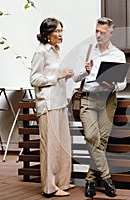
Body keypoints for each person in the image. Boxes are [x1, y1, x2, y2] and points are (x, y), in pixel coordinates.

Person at [73, 17, 127, 198]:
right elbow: (75, 78)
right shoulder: (86, 51)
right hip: (88, 99)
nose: (98, 35)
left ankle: (90, 179)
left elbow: (123, 83)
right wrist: (85, 71)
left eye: (102, 32)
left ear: (111, 33)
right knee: (91, 136)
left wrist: (112, 85)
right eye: (96, 31)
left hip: (107, 100)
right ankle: (106, 177)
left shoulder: (118, 55)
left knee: (101, 141)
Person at [30, 17, 75, 197]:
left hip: (60, 103)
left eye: (61, 31)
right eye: (57, 31)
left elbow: (57, 74)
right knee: (50, 147)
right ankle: (49, 187)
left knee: (63, 145)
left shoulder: (56, 51)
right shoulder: (40, 52)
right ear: (47, 34)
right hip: (48, 105)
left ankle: (62, 182)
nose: (60, 34)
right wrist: (57, 76)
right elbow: (34, 80)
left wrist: (66, 75)